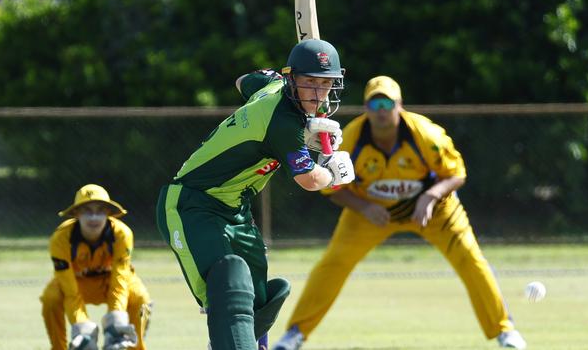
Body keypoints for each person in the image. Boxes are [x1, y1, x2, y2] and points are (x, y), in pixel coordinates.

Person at [273, 75, 527, 350]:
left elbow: (456, 174)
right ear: (366, 108)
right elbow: (332, 187)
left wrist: (430, 197)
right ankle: (295, 334)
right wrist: (365, 207)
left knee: (471, 260)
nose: (381, 109)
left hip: (434, 210)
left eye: (387, 102)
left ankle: (504, 331)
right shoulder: (350, 139)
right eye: (375, 103)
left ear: (400, 105)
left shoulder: (426, 135)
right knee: (332, 265)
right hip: (370, 211)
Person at [156, 39, 355, 350]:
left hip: (234, 208)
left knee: (259, 294)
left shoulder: (274, 86)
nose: (318, 95)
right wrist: (331, 171)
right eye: (309, 83)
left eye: (325, 84)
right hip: (191, 203)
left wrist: (304, 125)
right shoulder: (284, 123)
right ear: (292, 79)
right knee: (229, 281)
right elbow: (307, 179)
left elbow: (242, 81)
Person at [40, 184, 153, 350]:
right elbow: (70, 290)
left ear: (108, 213)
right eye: (87, 211)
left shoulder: (122, 234)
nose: (94, 217)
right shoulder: (60, 239)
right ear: (76, 214)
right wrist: (81, 327)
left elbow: (120, 280)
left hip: (111, 283)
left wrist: (116, 322)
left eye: (100, 211)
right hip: (76, 283)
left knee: (141, 299)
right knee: (51, 298)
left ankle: (134, 348)